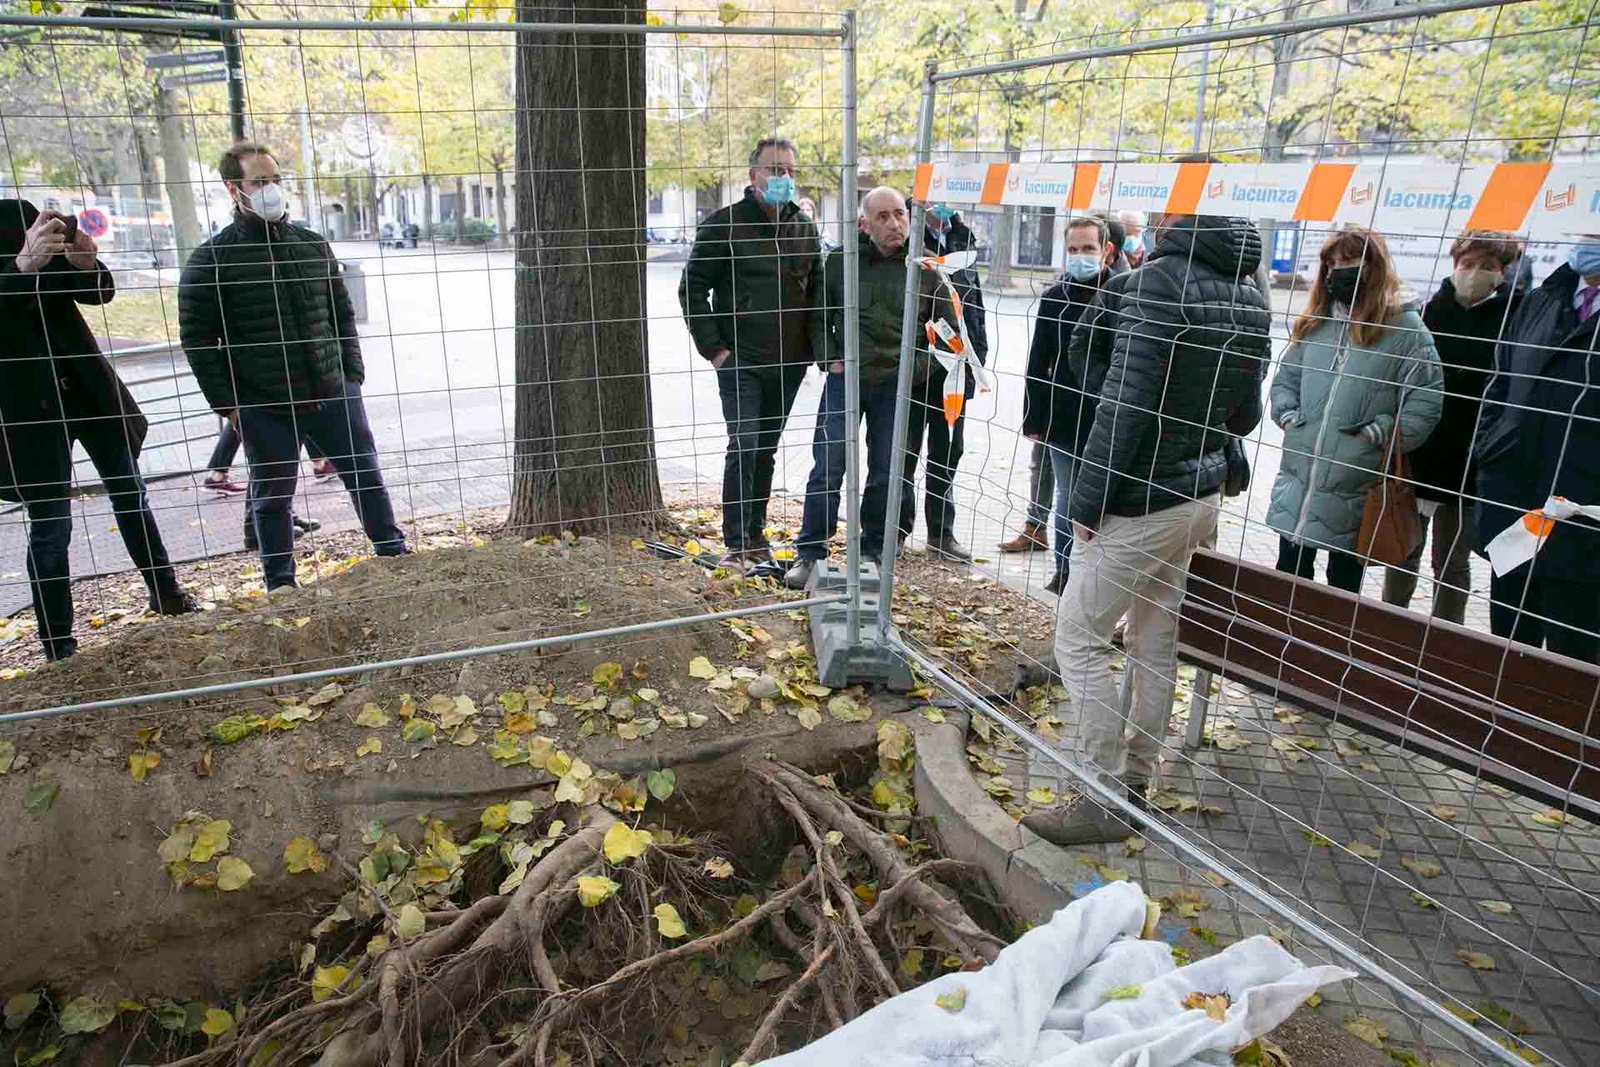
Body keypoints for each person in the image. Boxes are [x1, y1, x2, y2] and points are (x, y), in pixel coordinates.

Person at [1037, 211, 1272, 845]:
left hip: (1143, 498)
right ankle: (1137, 780)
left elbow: (1123, 402)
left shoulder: (1152, 284)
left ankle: (1100, 793)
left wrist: (1083, 505)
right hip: (1201, 493)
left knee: (1077, 635)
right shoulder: (1252, 294)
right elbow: (1246, 414)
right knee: (1152, 637)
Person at [179, 142, 408, 591]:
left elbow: (341, 314)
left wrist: (352, 376)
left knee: (365, 476)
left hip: (331, 389)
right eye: (259, 182)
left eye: (276, 180)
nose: (271, 190)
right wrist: (230, 406)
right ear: (234, 189)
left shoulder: (311, 245)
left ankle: (394, 556)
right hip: (264, 401)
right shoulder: (211, 260)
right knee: (272, 498)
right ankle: (281, 587)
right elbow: (198, 342)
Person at [0, 199, 194, 660]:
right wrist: (21, 266)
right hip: (25, 403)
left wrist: (86, 265)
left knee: (130, 491)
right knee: (51, 521)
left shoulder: (18, 213)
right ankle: (59, 644)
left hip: (87, 387)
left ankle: (165, 592)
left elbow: (96, 292)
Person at [783, 187, 957, 590]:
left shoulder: (927, 270)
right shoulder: (841, 261)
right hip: (846, 380)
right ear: (864, 224)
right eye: (883, 217)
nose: (894, 223)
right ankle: (810, 553)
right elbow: (818, 317)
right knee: (829, 466)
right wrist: (829, 359)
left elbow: (950, 339)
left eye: (900, 214)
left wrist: (914, 368)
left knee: (886, 471)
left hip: (896, 386)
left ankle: (874, 553)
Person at [1266, 227, 1444, 594]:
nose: (1336, 271)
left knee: (1342, 586)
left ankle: (1328, 650)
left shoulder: (1406, 329)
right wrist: (1287, 415)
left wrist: (1379, 434)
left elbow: (1425, 404)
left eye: (1347, 261)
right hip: (1299, 477)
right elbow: (1285, 380)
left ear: (1373, 267)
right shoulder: (1318, 320)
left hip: (1357, 482)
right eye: (1330, 263)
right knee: (1289, 574)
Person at [678, 137, 823, 573]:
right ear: (753, 175)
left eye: (790, 172)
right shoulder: (724, 225)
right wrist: (716, 351)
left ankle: (756, 535)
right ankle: (738, 544)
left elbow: (817, 293)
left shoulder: (802, 228)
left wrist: (820, 353)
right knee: (744, 444)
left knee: (766, 448)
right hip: (741, 361)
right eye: (774, 170)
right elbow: (691, 289)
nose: (783, 179)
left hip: (789, 363)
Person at [1382, 231, 1521, 624]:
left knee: (1452, 561)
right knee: (1402, 548)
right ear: (1454, 265)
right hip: (1421, 453)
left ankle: (1445, 637)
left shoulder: (1516, 317)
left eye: (1488, 266)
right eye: (1467, 264)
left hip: (1472, 460)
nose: (1475, 273)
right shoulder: (1429, 312)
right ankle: (1390, 627)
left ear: (1503, 272)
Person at [1474, 233, 1600, 661]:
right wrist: (1489, 450)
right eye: (1586, 234)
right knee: (1509, 646)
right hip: (1516, 506)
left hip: (1585, 519)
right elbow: (1500, 383)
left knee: (1575, 658)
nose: (1589, 243)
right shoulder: (1543, 300)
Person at [1020, 215, 1125, 594]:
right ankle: (1064, 571)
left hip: (1109, 416)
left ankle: (1097, 576)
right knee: (1068, 493)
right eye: (1073, 250)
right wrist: (1033, 416)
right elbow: (1037, 362)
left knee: (1105, 502)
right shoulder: (1054, 298)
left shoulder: (1124, 296)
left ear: (1107, 251)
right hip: (1063, 416)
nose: (1080, 256)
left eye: (1088, 249)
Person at [901, 204, 988, 562]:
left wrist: (975, 363)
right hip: (913, 370)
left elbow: (975, 310)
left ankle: (941, 533)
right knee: (902, 455)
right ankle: (894, 533)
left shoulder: (962, 240)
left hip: (953, 372)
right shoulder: (906, 235)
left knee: (947, 453)